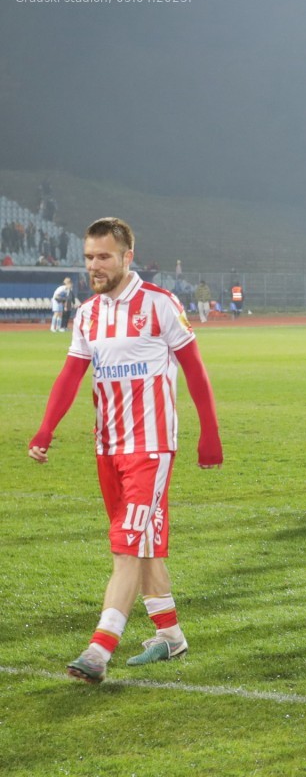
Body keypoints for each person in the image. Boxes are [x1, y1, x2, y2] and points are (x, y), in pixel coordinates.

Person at [27, 217, 222, 683]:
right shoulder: (88, 313)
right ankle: (170, 635)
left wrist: (209, 433)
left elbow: (194, 369)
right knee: (144, 543)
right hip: (107, 446)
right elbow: (71, 375)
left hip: (150, 447)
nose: (94, 265)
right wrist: (45, 430)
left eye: (104, 257)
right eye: (89, 257)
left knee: (126, 545)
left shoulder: (159, 304)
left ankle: (100, 647)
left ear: (127, 257)